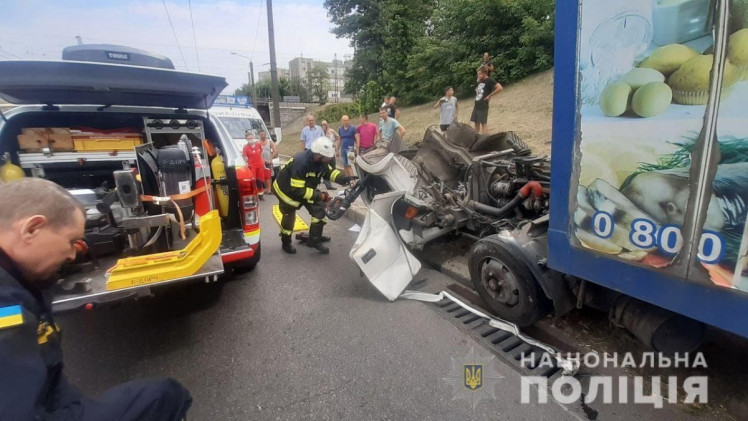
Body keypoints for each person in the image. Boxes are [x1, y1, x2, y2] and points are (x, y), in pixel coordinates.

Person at [0, 178, 192, 420]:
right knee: (163, 396)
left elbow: (51, 383)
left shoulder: (21, 284)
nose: (72, 255)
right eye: (71, 242)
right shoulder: (6, 306)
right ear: (31, 229)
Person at [272, 137, 355, 254]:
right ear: (318, 155)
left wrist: (344, 179)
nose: (329, 160)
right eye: (327, 158)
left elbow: (329, 172)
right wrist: (321, 196)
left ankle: (314, 240)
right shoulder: (301, 162)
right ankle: (286, 242)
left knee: (319, 212)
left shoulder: (321, 160)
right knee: (289, 217)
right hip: (287, 191)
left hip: (305, 188)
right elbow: (298, 190)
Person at [470, 65, 503, 134]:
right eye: (478, 74)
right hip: (477, 104)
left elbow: (500, 88)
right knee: (476, 123)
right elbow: (478, 92)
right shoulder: (480, 81)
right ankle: (476, 139)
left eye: (479, 74)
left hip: (483, 104)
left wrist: (490, 95)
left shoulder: (490, 80)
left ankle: (485, 139)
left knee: (483, 123)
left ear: (484, 73)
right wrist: (476, 86)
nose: (478, 76)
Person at [243, 130, 267, 200]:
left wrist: (262, 161)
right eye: (249, 139)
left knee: (260, 180)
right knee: (253, 181)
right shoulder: (246, 147)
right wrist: (246, 164)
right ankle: (253, 195)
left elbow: (261, 153)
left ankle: (261, 195)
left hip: (259, 165)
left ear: (254, 137)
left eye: (251, 138)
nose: (251, 140)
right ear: (247, 139)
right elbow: (245, 157)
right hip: (252, 166)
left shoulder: (258, 144)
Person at [258, 130, 278, 196]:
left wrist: (270, 159)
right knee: (263, 175)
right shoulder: (257, 143)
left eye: (264, 134)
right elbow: (257, 152)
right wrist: (261, 160)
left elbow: (275, 150)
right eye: (261, 134)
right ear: (259, 135)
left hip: (268, 161)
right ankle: (266, 188)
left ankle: (269, 189)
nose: (263, 136)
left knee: (268, 176)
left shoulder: (270, 142)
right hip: (261, 162)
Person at [320, 121, 338, 190]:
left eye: (325, 124)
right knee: (325, 167)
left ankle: (332, 179)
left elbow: (337, 136)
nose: (323, 126)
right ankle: (328, 184)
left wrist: (333, 142)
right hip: (324, 153)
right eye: (322, 125)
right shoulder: (320, 132)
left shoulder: (331, 131)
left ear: (327, 125)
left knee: (333, 166)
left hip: (331, 151)